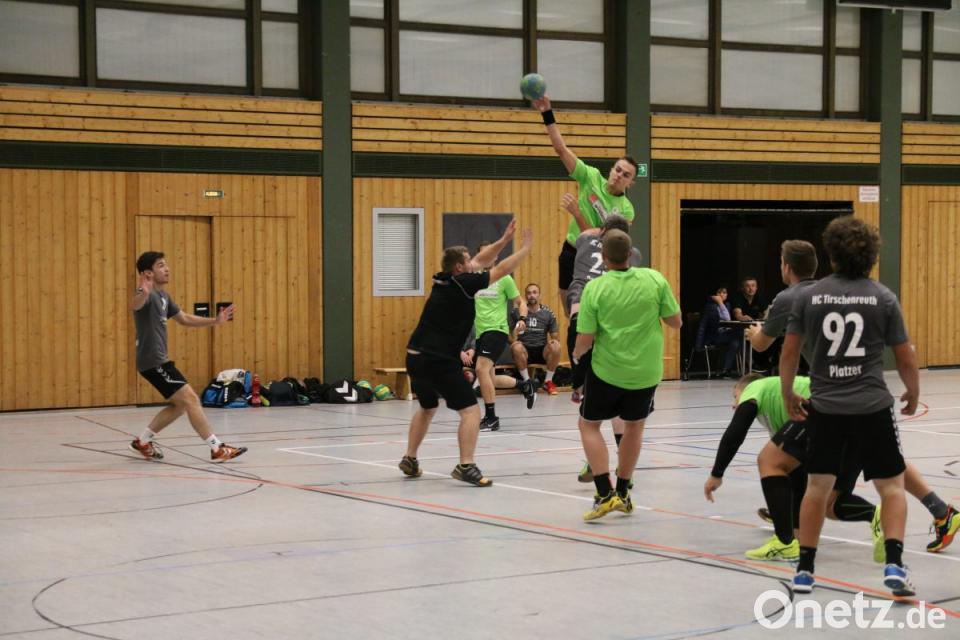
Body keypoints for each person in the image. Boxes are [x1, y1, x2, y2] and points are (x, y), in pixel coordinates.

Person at [781, 216, 920, 596]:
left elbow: (790, 352)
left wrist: (788, 392)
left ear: (831, 254)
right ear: (872, 255)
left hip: (826, 408)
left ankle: (805, 570)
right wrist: (913, 390)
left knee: (817, 487)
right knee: (891, 487)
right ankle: (894, 564)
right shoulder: (883, 297)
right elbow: (904, 356)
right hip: (872, 407)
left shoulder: (809, 297)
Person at [705, 373, 957, 561]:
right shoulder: (780, 409)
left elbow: (735, 434)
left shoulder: (756, 387)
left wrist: (717, 473)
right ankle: (940, 512)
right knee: (834, 500)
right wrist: (790, 517)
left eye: (734, 396)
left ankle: (784, 542)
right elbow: (797, 471)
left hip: (830, 404)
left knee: (769, 461)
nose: (734, 403)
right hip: (862, 404)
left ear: (744, 388)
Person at [400, 222, 533, 487]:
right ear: (460, 267)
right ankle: (466, 465)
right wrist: (525, 248)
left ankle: (410, 458)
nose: (474, 262)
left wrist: (503, 240)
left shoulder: (444, 278)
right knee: (471, 412)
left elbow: (481, 260)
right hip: (438, 360)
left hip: (415, 357)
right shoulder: (464, 283)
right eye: (468, 261)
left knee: (427, 407)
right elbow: (501, 269)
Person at [572, 230, 682, 521]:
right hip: (646, 372)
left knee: (588, 425)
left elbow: (585, 338)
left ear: (603, 257)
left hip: (607, 371)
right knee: (634, 427)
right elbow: (676, 322)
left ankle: (604, 492)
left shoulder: (595, 288)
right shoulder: (654, 279)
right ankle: (623, 492)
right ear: (631, 253)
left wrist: (576, 355)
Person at [129, 251, 247, 463]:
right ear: (148, 273)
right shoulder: (147, 294)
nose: (167, 269)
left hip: (157, 360)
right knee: (191, 399)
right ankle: (217, 448)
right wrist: (143, 293)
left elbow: (184, 318)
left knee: (181, 405)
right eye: (161, 265)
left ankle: (143, 442)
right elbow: (135, 304)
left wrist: (215, 320)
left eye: (166, 264)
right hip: (153, 360)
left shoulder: (164, 297)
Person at [532, 94, 638, 314]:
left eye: (626, 175)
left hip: (597, 259)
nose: (619, 175)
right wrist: (547, 114)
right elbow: (561, 149)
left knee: (590, 312)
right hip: (571, 250)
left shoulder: (626, 210)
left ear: (631, 183)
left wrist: (577, 213)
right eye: (618, 170)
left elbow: (599, 240)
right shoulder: (590, 177)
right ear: (612, 169)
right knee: (568, 312)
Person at [473, 242, 537, 431]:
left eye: (490, 253)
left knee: (480, 370)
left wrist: (522, 319)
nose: (487, 257)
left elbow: (520, 302)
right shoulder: (474, 279)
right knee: (489, 379)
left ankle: (491, 418)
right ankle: (525, 385)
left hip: (497, 330)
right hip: (480, 332)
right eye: (483, 254)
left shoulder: (504, 279)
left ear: (495, 257)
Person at [746, 240, 818, 374]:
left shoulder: (787, 298)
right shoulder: (829, 291)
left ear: (787, 267)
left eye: (781, 263)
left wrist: (754, 332)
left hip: (828, 378)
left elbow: (760, 344)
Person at [510, 283, 562, 395]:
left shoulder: (548, 313)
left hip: (541, 350)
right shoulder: (517, 312)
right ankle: (527, 382)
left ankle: (548, 381)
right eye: (529, 293)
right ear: (525, 296)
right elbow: (508, 334)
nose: (531, 295)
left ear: (539, 295)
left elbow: (555, 336)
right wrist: (514, 340)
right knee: (516, 347)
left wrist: (553, 342)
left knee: (556, 345)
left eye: (534, 292)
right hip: (524, 350)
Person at [697, 286, 741, 376]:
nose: (721, 295)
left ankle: (725, 370)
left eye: (724, 293)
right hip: (713, 334)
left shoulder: (727, 304)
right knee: (739, 337)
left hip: (724, 333)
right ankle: (745, 366)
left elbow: (727, 321)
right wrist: (720, 302)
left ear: (727, 295)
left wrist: (722, 304)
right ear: (715, 295)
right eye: (719, 292)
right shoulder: (710, 306)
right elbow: (727, 318)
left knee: (736, 342)